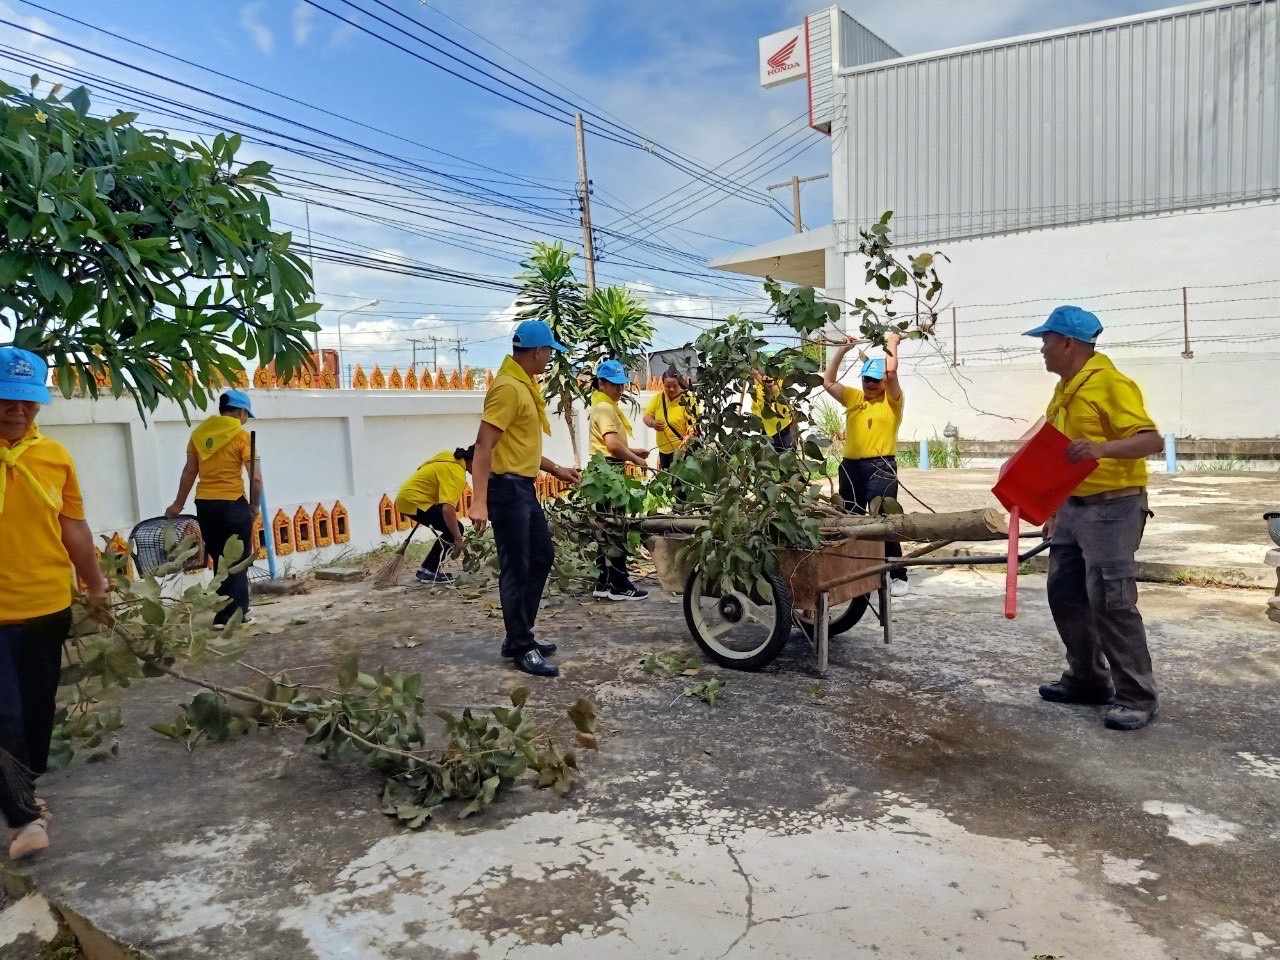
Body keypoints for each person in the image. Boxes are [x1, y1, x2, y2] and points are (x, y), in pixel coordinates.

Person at [1025, 305, 1164, 731]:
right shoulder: (1065, 390)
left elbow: (1151, 440)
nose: (1042, 349)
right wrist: (1052, 507)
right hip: (1072, 506)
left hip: (1112, 507)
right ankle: (1087, 679)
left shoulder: (1111, 384)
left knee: (1111, 600)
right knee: (1065, 593)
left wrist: (1101, 449)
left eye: (1046, 341)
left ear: (1067, 343)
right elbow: (1058, 452)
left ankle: (1137, 696)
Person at [0, 347, 110, 860]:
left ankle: (25, 791)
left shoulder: (55, 457)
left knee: (37, 710)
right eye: (6, 399)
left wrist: (95, 584)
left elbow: (73, 526)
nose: (17, 410)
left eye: (27, 401)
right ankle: (24, 820)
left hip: (46, 605)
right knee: (4, 715)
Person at [469, 321, 581, 678]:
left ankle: (518, 635)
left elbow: (520, 446)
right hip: (506, 490)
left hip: (523, 487)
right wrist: (479, 501)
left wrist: (556, 469)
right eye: (549, 352)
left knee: (541, 556)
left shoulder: (523, 385)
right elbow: (484, 445)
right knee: (516, 567)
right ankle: (520, 645)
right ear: (537, 351)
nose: (550, 359)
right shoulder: (507, 388)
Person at [166, 390, 263, 629]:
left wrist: (177, 505)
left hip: (206, 505)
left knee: (220, 559)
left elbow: (190, 471)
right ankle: (230, 617)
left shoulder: (198, 434)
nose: (246, 419)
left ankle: (231, 608)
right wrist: (254, 506)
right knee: (237, 560)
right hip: (233, 504)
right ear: (241, 411)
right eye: (246, 415)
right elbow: (256, 479)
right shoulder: (242, 437)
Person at [823, 332, 910, 597]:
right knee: (849, 518)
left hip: (880, 467)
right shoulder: (854, 398)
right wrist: (842, 351)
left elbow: (892, 373)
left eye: (875, 379)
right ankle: (856, 570)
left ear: (884, 381)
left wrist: (892, 342)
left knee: (884, 520)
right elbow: (828, 382)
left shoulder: (892, 402)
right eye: (866, 379)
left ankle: (897, 574)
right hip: (851, 468)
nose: (870, 384)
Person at [589, 360, 651, 602]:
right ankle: (619, 584)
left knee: (605, 527)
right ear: (601, 384)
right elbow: (613, 446)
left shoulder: (602, 405)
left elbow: (609, 445)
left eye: (621, 385)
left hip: (603, 469)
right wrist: (636, 459)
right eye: (614, 385)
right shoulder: (605, 408)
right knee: (616, 527)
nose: (619, 389)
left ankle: (603, 581)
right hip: (609, 471)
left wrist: (633, 451)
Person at [395, 446, 474, 584]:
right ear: (475, 461)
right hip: (415, 500)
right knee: (455, 529)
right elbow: (448, 510)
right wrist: (458, 538)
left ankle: (425, 570)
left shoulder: (448, 456)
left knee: (451, 528)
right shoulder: (457, 474)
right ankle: (429, 571)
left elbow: (422, 469)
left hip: (407, 497)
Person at [643, 369, 694, 471]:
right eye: (667, 386)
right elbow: (646, 416)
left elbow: (693, 430)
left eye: (675, 386)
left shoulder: (688, 400)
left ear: (680, 383)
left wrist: (681, 451)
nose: (671, 389)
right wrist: (653, 423)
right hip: (664, 452)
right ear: (663, 384)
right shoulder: (659, 397)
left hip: (682, 452)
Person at [751, 371, 796, 452]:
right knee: (766, 456)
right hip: (765, 427)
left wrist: (756, 375)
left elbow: (773, 389)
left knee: (784, 454)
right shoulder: (755, 378)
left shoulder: (773, 373)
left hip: (780, 427)